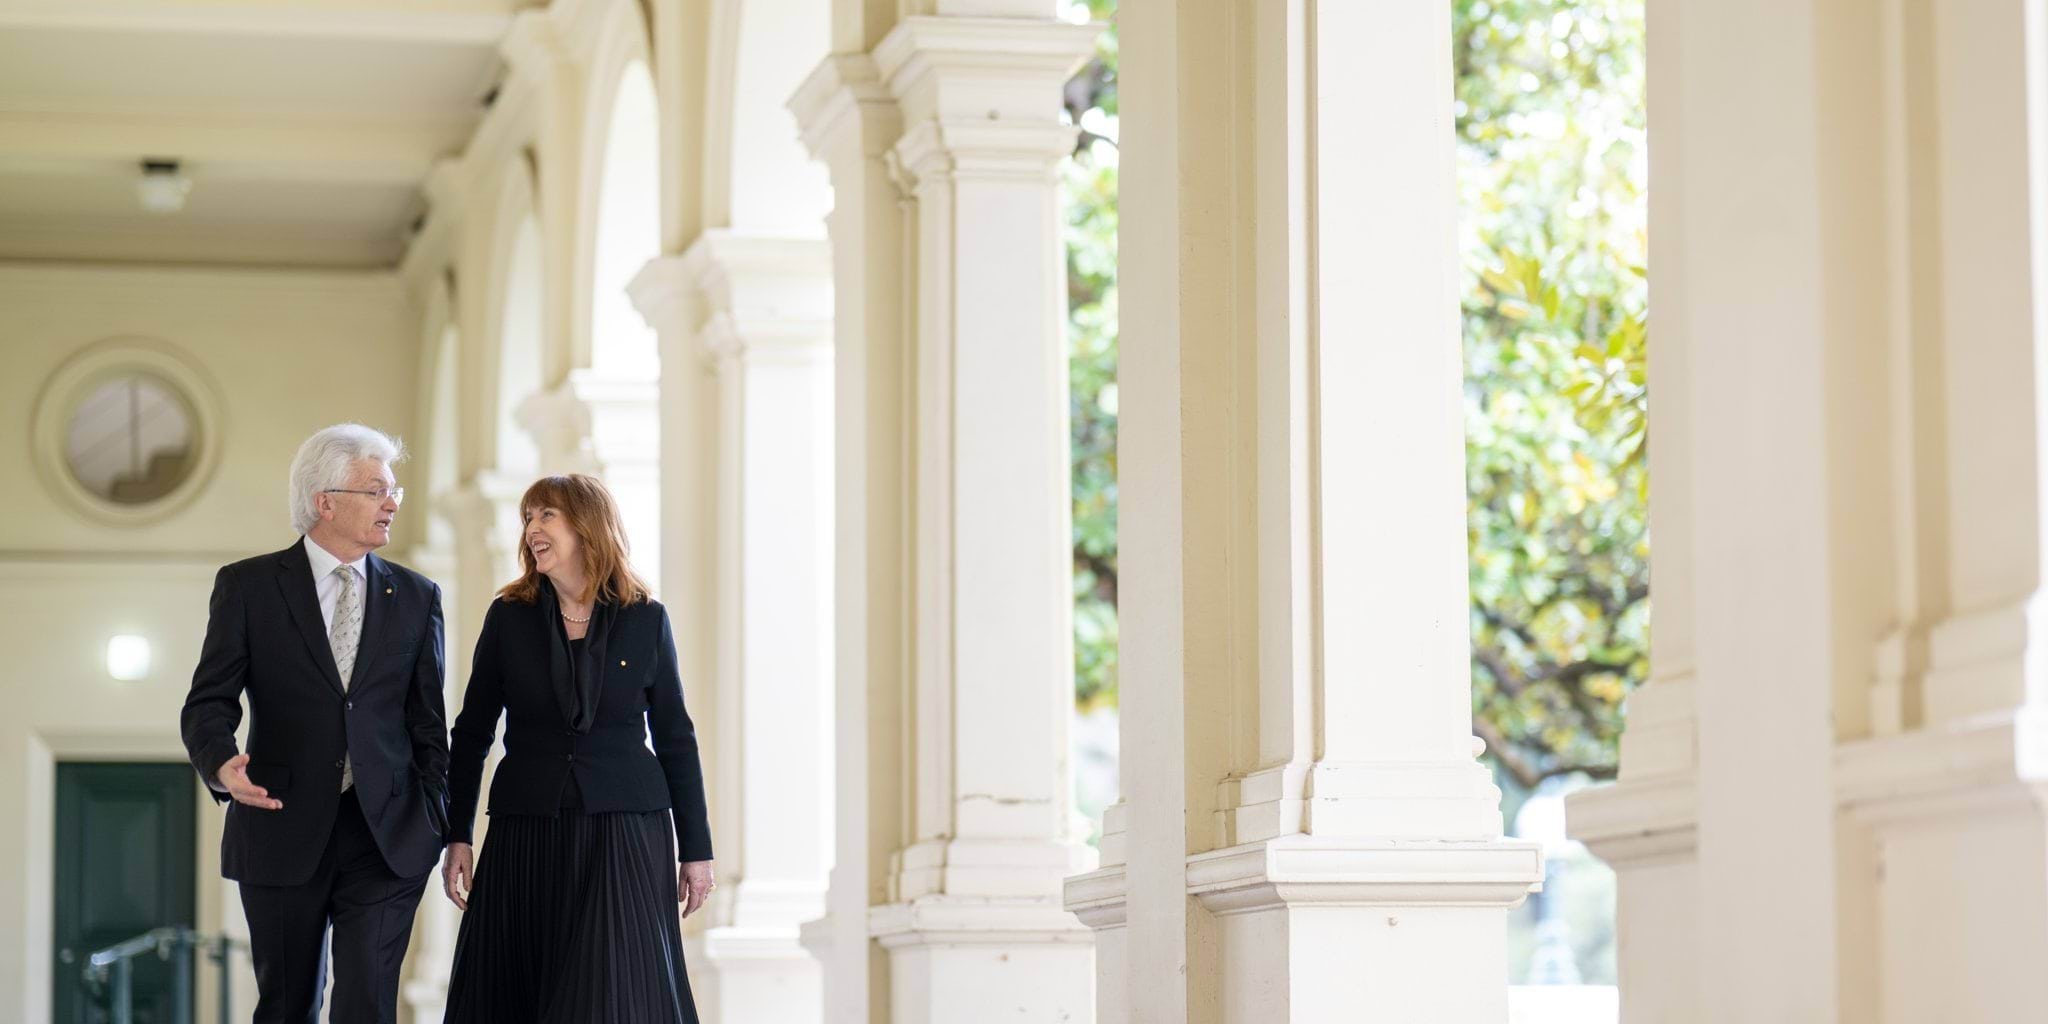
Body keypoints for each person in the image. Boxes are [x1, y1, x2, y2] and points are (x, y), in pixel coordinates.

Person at [180, 424, 450, 1024]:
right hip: (279, 825)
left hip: (388, 834)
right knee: (287, 1005)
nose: (392, 503)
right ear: (325, 501)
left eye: (394, 491)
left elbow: (428, 723)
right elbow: (208, 702)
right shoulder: (248, 587)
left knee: (367, 1004)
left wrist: (434, 815)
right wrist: (222, 765)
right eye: (377, 490)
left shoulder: (417, 596)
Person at [441, 473, 713, 1023]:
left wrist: (697, 849)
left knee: (612, 988)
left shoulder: (646, 619)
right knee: (521, 984)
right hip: (527, 828)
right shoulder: (508, 617)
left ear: (587, 525)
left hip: (626, 829)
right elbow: (472, 732)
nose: (532, 528)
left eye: (546, 515)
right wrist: (458, 836)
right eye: (527, 517)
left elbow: (675, 738)